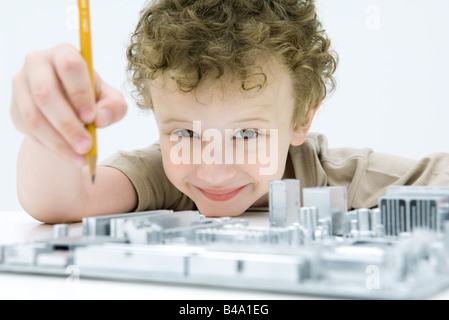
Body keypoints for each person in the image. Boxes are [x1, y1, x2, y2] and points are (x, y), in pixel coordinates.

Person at [10, 0, 449, 224]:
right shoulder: (160, 176)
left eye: (246, 135)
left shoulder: (337, 177)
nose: (214, 170)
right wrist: (49, 127)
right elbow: (61, 203)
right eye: (183, 133)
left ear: (301, 120)